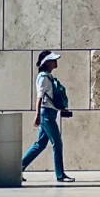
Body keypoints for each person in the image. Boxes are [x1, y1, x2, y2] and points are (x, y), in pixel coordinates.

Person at [21, 51, 74, 183]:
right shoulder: (43, 78)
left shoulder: (47, 77)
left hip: (50, 113)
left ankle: (17, 169)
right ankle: (60, 174)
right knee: (57, 143)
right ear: (47, 62)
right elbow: (39, 97)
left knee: (40, 145)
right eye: (53, 60)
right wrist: (37, 115)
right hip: (46, 115)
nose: (56, 62)